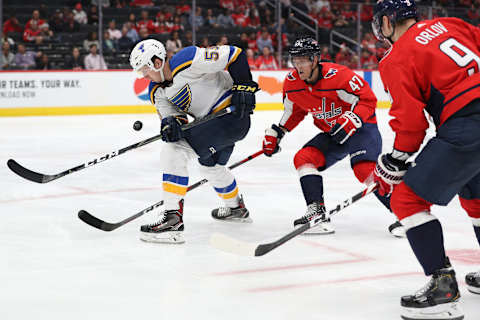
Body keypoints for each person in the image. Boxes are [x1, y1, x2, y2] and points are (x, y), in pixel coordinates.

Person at [369, 1, 480, 319]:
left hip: (466, 124)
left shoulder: (397, 56)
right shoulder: (450, 23)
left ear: (388, 23)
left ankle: (443, 287)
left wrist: (396, 159)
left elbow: (411, 123)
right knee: (476, 198)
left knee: (406, 199)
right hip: (469, 122)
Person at [261, 37, 404, 236]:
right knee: (304, 158)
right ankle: (317, 213)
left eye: (304, 60)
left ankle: (407, 215)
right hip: (334, 133)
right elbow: (294, 112)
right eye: (296, 60)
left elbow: (368, 100)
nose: (299, 65)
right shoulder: (292, 83)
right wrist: (278, 133)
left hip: (361, 128)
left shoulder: (339, 76)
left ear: (315, 59)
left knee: (364, 170)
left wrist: (353, 118)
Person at [129, 39, 258, 244]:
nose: (144, 76)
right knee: (211, 168)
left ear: (157, 61)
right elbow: (175, 119)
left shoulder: (187, 59)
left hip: (232, 117)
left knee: (174, 151)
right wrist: (170, 126)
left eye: (145, 69)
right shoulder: (157, 91)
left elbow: (235, 55)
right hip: (216, 126)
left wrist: (244, 86)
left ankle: (172, 219)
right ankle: (236, 208)